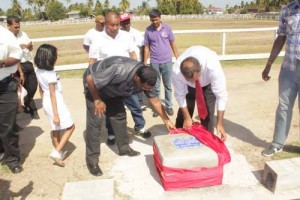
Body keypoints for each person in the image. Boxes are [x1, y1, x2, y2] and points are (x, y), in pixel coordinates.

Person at [83, 56, 175, 176]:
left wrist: (167, 120)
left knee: (119, 116)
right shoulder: (119, 71)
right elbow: (90, 79)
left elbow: (155, 101)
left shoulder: (148, 80)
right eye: (143, 87)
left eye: (148, 88)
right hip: (95, 86)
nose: (145, 90)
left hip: (114, 89)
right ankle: (92, 161)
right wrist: (97, 100)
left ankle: (124, 148)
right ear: (136, 77)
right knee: (95, 123)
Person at [89, 12, 151, 146]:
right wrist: (95, 81)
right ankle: (111, 133)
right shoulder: (97, 39)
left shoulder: (126, 36)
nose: (115, 27)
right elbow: (92, 61)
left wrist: (136, 73)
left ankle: (140, 127)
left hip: (127, 78)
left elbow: (133, 54)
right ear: (105, 23)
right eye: (112, 25)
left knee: (135, 104)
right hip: (108, 82)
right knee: (110, 109)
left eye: (117, 24)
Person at [261, 0, 300, 157]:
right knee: (283, 107)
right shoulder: (288, 10)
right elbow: (281, 38)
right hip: (289, 67)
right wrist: (269, 64)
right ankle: (277, 143)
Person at [172, 46, 228, 141]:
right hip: (187, 87)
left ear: (200, 69)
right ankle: (178, 137)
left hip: (208, 84)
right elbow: (180, 96)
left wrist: (219, 123)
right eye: (188, 80)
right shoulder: (176, 71)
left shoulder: (213, 68)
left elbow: (221, 96)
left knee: (208, 112)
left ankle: (207, 139)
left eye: (194, 79)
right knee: (185, 111)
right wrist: (187, 117)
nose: (192, 82)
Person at [34, 44, 75, 167]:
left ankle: (59, 151)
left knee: (56, 129)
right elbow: (53, 94)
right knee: (71, 126)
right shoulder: (50, 73)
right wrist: (56, 114)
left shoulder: (38, 70)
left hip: (47, 100)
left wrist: (42, 101)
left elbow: (40, 88)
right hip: (55, 101)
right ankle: (56, 152)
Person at [143, 9, 179, 117]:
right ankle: (157, 108)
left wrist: (178, 57)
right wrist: (144, 62)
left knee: (167, 85)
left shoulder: (167, 28)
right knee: (156, 86)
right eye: (152, 20)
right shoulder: (148, 30)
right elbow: (146, 47)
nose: (154, 22)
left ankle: (168, 105)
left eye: (156, 19)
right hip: (154, 62)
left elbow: (172, 43)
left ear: (160, 17)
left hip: (167, 61)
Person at [0, 25, 23, 173]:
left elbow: (17, 56)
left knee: (8, 125)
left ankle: (12, 158)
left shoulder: (5, 35)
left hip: (5, 84)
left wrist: (2, 63)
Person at [7, 15, 39, 119]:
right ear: (8, 26)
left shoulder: (23, 34)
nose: (18, 28)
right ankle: (33, 109)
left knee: (33, 86)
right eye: (15, 27)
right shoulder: (7, 38)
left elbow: (31, 47)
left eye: (18, 26)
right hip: (17, 66)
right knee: (20, 89)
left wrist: (29, 46)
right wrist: (19, 48)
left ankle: (27, 101)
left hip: (28, 63)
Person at [120, 13, 147, 111]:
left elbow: (142, 47)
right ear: (120, 24)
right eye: (124, 23)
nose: (126, 25)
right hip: (124, 64)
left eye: (127, 22)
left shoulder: (136, 33)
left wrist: (143, 62)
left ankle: (140, 102)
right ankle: (125, 103)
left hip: (137, 63)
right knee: (125, 84)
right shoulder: (118, 34)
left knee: (138, 83)